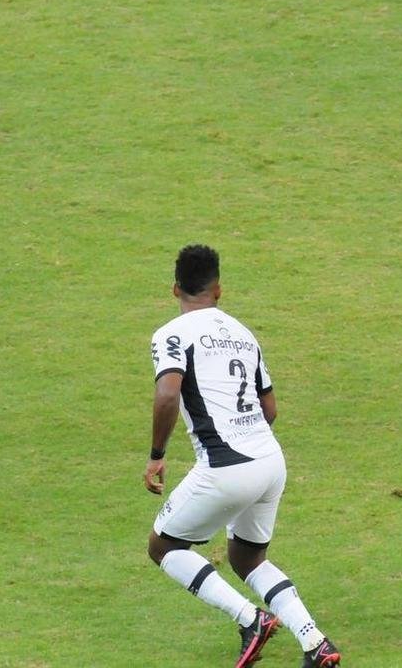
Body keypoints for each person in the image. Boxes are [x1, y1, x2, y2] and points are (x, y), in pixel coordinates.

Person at [144, 244, 341, 668]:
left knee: (163, 545)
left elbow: (167, 393)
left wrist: (157, 454)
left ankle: (250, 619)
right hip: (270, 462)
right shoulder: (243, 334)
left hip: (226, 466)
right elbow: (270, 409)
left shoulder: (170, 335)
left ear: (175, 288)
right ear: (219, 290)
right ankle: (315, 643)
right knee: (247, 558)